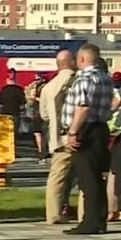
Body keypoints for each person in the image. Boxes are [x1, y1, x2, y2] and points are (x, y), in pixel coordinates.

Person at [61, 43, 113, 235]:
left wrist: (73, 132)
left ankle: (89, 222)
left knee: (87, 178)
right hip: (100, 128)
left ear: (82, 59)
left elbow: (83, 107)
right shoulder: (105, 78)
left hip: (85, 129)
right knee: (98, 177)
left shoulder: (84, 79)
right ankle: (100, 219)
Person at [41, 50, 78, 225]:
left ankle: (53, 213)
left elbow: (44, 115)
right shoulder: (78, 81)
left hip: (57, 139)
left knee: (57, 177)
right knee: (86, 174)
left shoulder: (48, 87)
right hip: (77, 135)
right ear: (71, 61)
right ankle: (86, 212)